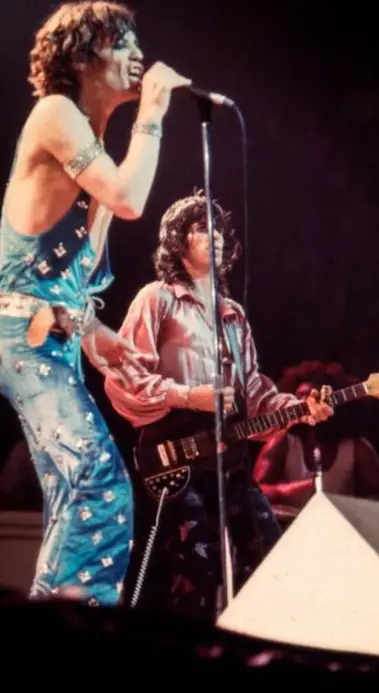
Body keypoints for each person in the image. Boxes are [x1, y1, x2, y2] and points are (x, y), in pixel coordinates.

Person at [0, 1, 191, 605]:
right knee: (99, 488)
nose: (138, 56)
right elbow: (132, 199)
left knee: (75, 493)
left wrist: (95, 333)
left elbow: (60, 285)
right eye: (122, 44)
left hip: (47, 337)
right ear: (81, 57)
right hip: (17, 337)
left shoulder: (92, 137)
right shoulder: (56, 112)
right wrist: (155, 114)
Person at [104, 192, 333, 622]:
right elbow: (124, 376)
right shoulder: (157, 299)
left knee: (270, 559)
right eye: (199, 228)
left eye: (219, 228)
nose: (215, 236)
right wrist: (190, 396)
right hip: (175, 458)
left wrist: (299, 407)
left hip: (229, 462)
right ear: (177, 241)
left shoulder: (233, 314)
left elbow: (253, 391)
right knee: (193, 572)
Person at [253, 360, 379, 527]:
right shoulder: (283, 442)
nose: (304, 404)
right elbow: (256, 492)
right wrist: (300, 488)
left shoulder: (356, 447)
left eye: (311, 397)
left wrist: (355, 513)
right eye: (299, 397)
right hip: (291, 531)